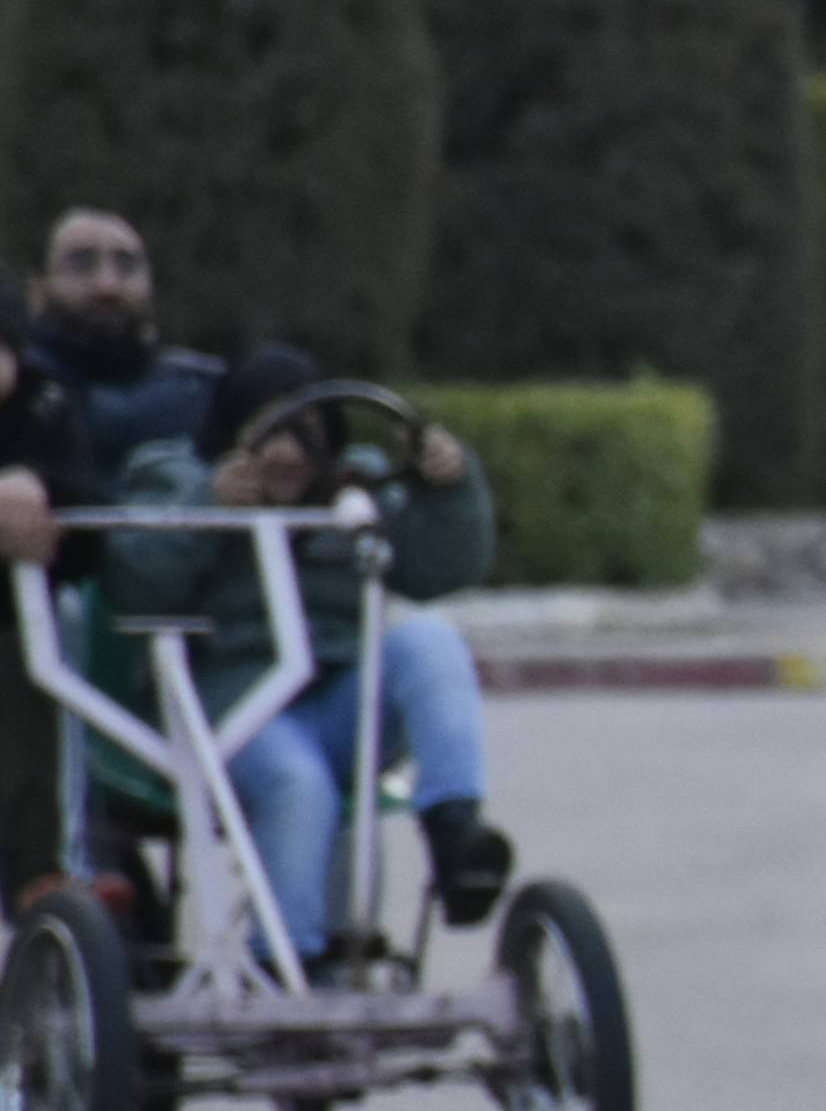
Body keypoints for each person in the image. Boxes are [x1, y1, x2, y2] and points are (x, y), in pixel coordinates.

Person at [103, 363, 517, 964]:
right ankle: (289, 960)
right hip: (234, 709)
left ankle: (456, 835)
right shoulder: (174, 476)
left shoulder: (356, 492)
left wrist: (451, 486)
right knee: (299, 783)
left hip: (341, 700)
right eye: (269, 434)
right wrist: (209, 507)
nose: (287, 454)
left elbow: (442, 567)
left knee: (430, 640)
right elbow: (135, 583)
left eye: (307, 434)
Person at [0, 281, 105, 912]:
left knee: (53, 636)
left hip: (19, 634)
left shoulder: (48, 411)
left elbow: (93, 530)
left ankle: (51, 872)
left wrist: (39, 496)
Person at [25, 210, 225, 477]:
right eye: (82, 265)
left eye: (127, 266)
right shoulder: (15, 390)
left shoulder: (206, 392)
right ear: (37, 289)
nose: (107, 287)